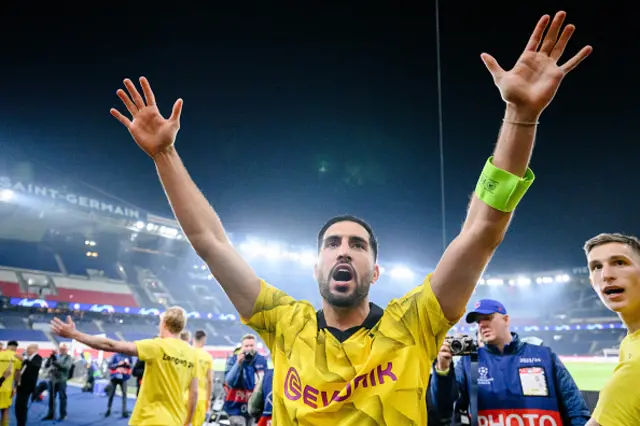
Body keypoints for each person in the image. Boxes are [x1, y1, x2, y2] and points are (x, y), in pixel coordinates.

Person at [109, 11, 591, 424]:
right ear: (316, 267)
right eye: (333, 244)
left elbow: (482, 231)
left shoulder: (415, 322)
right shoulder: (283, 323)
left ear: (375, 272)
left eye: (357, 245)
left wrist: (521, 118)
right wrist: (165, 156)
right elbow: (209, 240)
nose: (344, 249)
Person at [431, 299, 590, 425]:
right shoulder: (467, 363)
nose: (482, 324)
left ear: (506, 319)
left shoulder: (545, 356)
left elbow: (576, 409)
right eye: (478, 321)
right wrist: (443, 369)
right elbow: (445, 407)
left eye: (488, 318)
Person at [50, 307, 198, 426]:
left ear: (164, 323)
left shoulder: (157, 346)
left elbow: (110, 345)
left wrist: (75, 334)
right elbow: (194, 393)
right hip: (176, 420)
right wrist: (188, 421)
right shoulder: (193, 355)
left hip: (149, 420)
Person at [583, 233, 640, 425]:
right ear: (592, 283)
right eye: (596, 267)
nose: (606, 275)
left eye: (619, 262)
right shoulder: (630, 342)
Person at [223, 334, 267, 426]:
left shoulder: (261, 360)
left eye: (251, 345)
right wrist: (238, 363)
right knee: (240, 423)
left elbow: (264, 382)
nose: (249, 348)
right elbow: (228, 381)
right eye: (246, 346)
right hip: (235, 405)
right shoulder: (233, 359)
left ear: (256, 346)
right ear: (242, 347)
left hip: (252, 405)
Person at [42, 344, 72, 421]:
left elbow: (66, 367)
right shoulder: (56, 356)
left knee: (62, 398)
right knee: (51, 398)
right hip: (52, 380)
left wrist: (56, 363)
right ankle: (50, 414)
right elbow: (47, 365)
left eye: (64, 349)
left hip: (61, 380)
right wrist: (50, 358)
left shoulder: (68, 357)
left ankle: (63, 415)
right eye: (61, 348)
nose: (62, 350)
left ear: (66, 350)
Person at [15, 344, 42, 426]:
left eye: (28, 348)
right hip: (21, 385)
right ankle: (20, 422)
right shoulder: (28, 358)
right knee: (18, 406)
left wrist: (24, 360)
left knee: (22, 406)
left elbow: (35, 367)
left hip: (27, 386)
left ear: (35, 349)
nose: (26, 350)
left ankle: (21, 423)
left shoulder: (38, 357)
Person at [191, 330, 214, 426]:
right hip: (201, 398)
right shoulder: (207, 357)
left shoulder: (186, 353)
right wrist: (208, 400)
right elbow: (210, 380)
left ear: (193, 339)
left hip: (184, 396)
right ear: (204, 340)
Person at [0, 341, 21, 426]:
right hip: (7, 388)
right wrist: (15, 387)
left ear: (7, 346)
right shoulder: (17, 357)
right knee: (5, 410)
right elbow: (17, 374)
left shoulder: (0, 354)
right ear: (15, 348)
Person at [105, 352, 132, 418]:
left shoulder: (128, 356)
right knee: (111, 394)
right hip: (115, 377)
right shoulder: (115, 355)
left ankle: (124, 411)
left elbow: (131, 366)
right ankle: (108, 409)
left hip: (124, 378)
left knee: (124, 395)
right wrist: (118, 364)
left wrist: (128, 365)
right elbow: (110, 365)